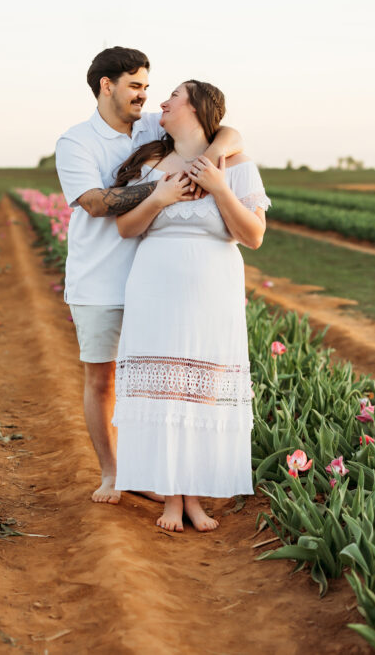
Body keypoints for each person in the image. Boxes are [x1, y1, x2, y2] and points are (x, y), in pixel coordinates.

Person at [55, 48, 244, 504]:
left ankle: (152, 471)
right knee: (102, 381)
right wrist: (161, 188)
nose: (145, 95)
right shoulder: (75, 142)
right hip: (99, 279)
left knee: (156, 384)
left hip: (156, 284)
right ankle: (113, 472)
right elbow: (96, 203)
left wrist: (208, 159)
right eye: (135, 86)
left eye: (147, 86)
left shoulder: (152, 128)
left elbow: (228, 132)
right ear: (107, 86)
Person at [111, 80, 270, 531]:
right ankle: (170, 497)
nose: (162, 102)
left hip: (212, 294)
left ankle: (194, 497)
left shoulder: (236, 165)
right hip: (155, 289)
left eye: (174, 96)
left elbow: (253, 236)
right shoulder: (150, 164)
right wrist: (159, 197)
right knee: (164, 393)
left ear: (198, 107)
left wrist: (219, 188)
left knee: (199, 391)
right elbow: (126, 228)